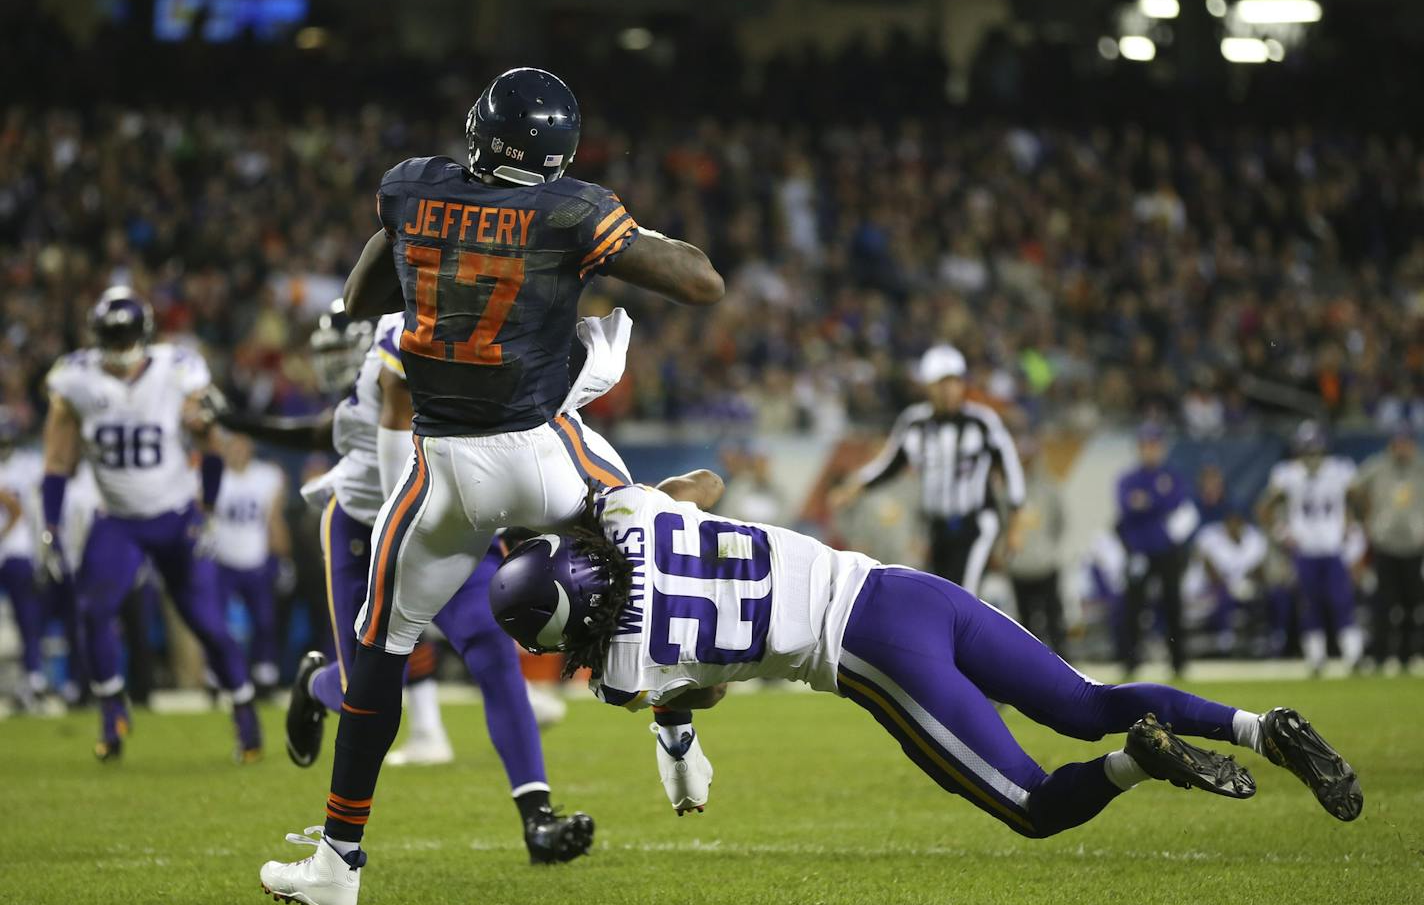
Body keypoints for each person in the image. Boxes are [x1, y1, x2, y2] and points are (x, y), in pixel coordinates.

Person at [257, 67, 724, 905]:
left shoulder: (412, 188)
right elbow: (702, 281)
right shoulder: (573, 208)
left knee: (376, 653)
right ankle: (677, 735)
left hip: (441, 473)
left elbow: (363, 294)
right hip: (541, 449)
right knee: (650, 555)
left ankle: (337, 859)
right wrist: (610, 231)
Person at [487, 472, 1362, 851]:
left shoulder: (624, 671)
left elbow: (691, 694)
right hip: (904, 587)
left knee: (1033, 805)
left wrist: (675, 736)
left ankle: (1143, 760)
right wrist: (642, 507)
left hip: (869, 651)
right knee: (1086, 698)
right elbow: (703, 489)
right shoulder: (634, 514)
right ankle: (1260, 726)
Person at [222, 304, 580, 824]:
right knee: (360, 689)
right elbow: (363, 448)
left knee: (495, 657)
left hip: (449, 520)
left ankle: (537, 815)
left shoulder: (470, 333)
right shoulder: (403, 339)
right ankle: (315, 685)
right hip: (371, 525)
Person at [39, 287, 260, 761]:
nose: (119, 345)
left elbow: (210, 440)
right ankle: (111, 712)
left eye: (125, 334)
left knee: (207, 624)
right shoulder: (75, 378)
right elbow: (57, 459)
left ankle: (246, 717)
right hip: (117, 519)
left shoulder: (176, 370)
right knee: (93, 612)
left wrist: (209, 507)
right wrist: (50, 526)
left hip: (175, 515)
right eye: (110, 335)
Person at [829, 345, 1025, 593]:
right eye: (942, 383)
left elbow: (1011, 468)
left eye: (954, 381)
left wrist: (1015, 524)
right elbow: (890, 464)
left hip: (975, 521)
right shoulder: (915, 422)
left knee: (962, 594)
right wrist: (853, 487)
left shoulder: (982, 421)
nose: (949, 390)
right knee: (939, 593)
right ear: (928, 386)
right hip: (935, 525)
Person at [1258, 422, 1363, 675]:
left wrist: (1351, 522)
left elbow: (1360, 499)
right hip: (1304, 552)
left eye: (1315, 451)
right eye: (1307, 451)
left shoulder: (1340, 470)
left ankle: (1353, 655)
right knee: (1309, 605)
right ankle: (1316, 658)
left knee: (1341, 601)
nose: (1311, 457)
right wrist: (1282, 534)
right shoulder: (1287, 474)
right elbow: (1264, 509)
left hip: (1332, 548)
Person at [1115, 423, 1197, 677]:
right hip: (1138, 549)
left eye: (1154, 445)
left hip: (1165, 549)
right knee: (1133, 606)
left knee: (1172, 603)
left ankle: (1178, 661)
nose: (1150, 450)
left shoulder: (1171, 476)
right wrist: (1156, 501)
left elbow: (1176, 502)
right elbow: (1127, 507)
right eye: (1146, 445)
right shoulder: (1129, 479)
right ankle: (1130, 661)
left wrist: (1147, 501)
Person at [210, 432, 290, 694]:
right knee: (215, 622)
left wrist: (284, 556)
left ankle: (264, 674)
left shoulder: (267, 476)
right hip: (222, 558)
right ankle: (217, 674)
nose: (238, 451)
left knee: (265, 621)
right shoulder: (214, 474)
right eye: (233, 445)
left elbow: (274, 518)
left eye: (242, 445)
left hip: (256, 557)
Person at [1350, 430, 1424, 670]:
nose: (1402, 449)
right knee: (1384, 602)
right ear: (1392, 446)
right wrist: (1366, 517)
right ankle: (1380, 655)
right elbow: (1353, 489)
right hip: (1385, 544)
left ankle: (1406, 655)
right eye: (1398, 444)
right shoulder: (1378, 466)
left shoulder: (1421, 467)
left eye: (1406, 444)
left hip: (1414, 545)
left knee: (1412, 603)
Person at [1004, 433, 1069, 657]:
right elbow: (1002, 525)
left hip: (1045, 564)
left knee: (1054, 621)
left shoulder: (1049, 487)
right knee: (1025, 624)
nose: (1027, 462)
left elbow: (1059, 522)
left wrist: (1046, 548)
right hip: (1019, 565)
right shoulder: (1007, 490)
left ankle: (1064, 665)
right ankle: (1030, 666)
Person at [0, 414, 46, 708]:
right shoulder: (28, 465)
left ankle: (34, 679)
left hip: (17, 550)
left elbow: (24, 511)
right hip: (14, 550)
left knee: (28, 618)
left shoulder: (28, 465)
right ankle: (32, 679)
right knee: (25, 618)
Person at [1191, 504, 1268, 656]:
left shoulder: (1253, 539)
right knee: (1224, 594)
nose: (1234, 526)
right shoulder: (1210, 538)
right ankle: (1225, 638)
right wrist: (1232, 586)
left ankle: (1262, 638)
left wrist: (1246, 583)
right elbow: (1211, 574)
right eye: (1231, 522)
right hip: (1207, 589)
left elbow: (1259, 572)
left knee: (1264, 595)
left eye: (1237, 522)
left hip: (1240, 589)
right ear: (1225, 523)